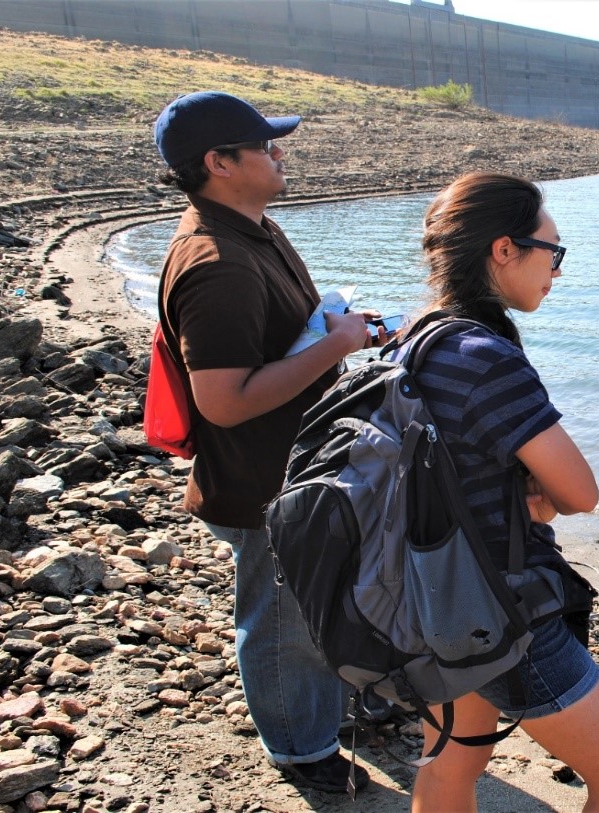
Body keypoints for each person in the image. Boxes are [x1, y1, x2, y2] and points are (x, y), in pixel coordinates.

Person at [404, 171, 599, 812]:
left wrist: (528, 485)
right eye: (553, 250)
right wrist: (545, 492)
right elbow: (580, 492)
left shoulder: (419, 339)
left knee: (452, 762)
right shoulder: (484, 356)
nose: (558, 268)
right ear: (504, 249)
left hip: (433, 595)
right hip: (499, 609)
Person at [153, 91, 387, 793]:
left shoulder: (252, 229)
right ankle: (300, 748)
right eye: (263, 146)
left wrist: (342, 329)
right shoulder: (216, 259)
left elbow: (272, 344)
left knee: (313, 601)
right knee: (281, 619)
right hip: (264, 483)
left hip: (295, 469)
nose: (279, 153)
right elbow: (222, 401)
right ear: (219, 163)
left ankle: (329, 708)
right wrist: (337, 345)